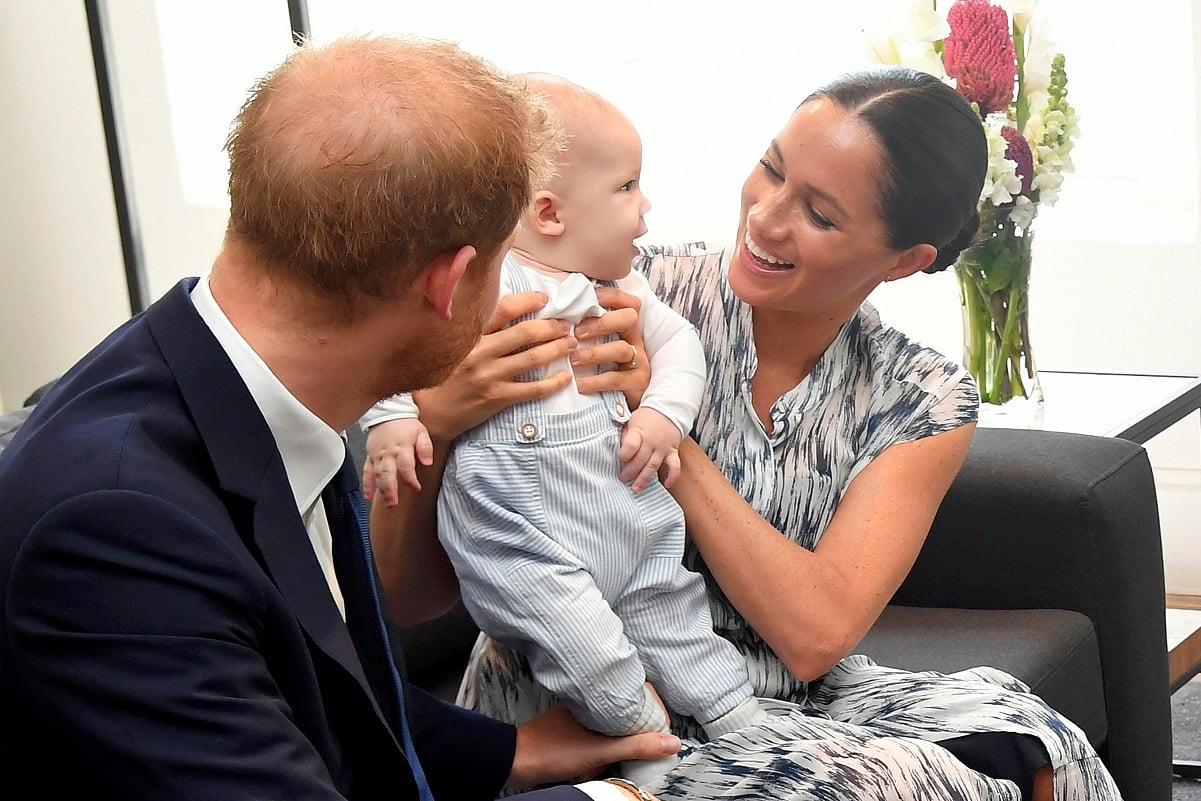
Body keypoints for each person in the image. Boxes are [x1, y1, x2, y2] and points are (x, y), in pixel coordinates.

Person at [369, 66, 1122, 801]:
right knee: (891, 785)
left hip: (776, 686)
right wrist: (438, 415)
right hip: (582, 688)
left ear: (903, 261)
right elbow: (406, 594)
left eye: (820, 214)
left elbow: (812, 634)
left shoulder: (919, 396)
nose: (764, 217)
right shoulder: (606, 289)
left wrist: (668, 430)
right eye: (770, 169)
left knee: (1039, 736)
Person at [0, 36, 680, 801]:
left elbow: (314, 691)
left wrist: (509, 751)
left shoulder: (247, 378)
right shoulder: (114, 532)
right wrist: (606, 799)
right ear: (453, 283)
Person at [360, 75, 765, 785]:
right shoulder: (473, 280)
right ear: (549, 212)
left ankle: (734, 714)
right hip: (517, 527)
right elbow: (396, 351)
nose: (646, 209)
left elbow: (680, 350)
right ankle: (634, 725)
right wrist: (396, 422)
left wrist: (661, 414)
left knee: (669, 605)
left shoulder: (623, 288)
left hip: (621, 505)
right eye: (627, 188)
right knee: (580, 637)